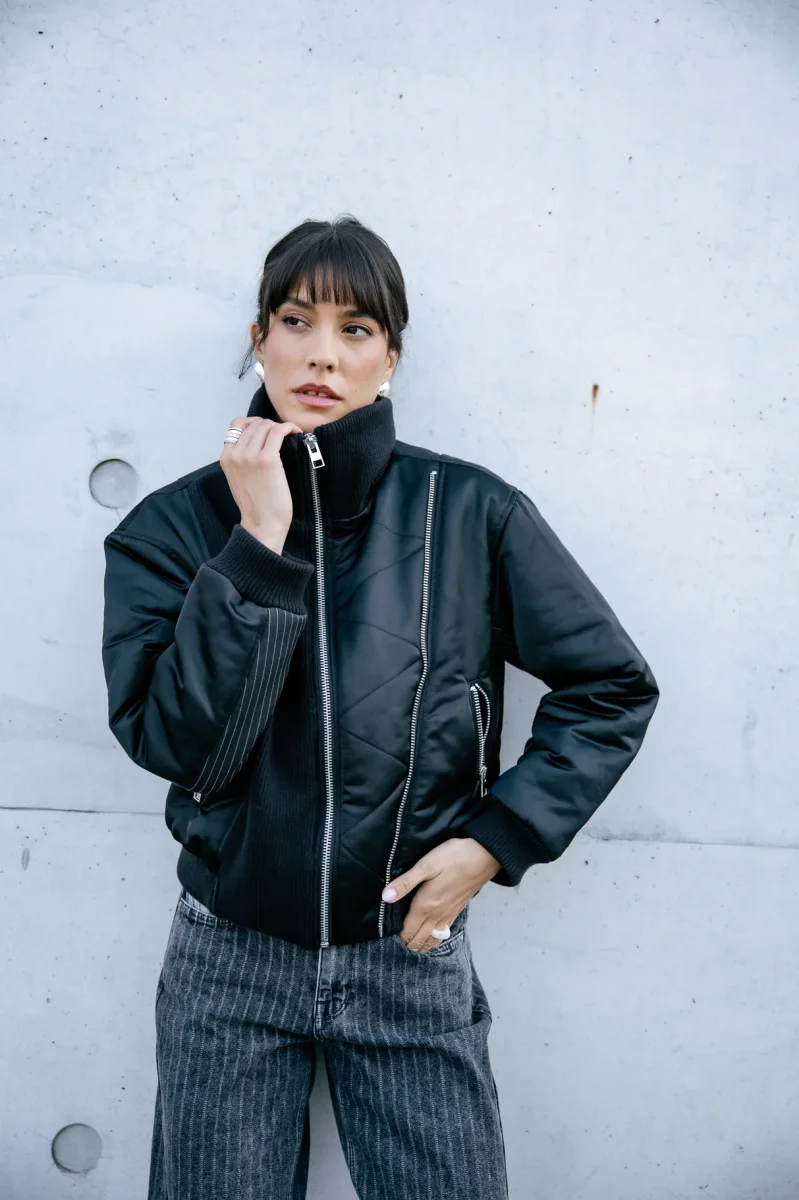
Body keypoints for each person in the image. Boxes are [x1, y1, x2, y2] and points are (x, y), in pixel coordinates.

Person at [101, 214, 659, 1199]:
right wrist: (256, 546)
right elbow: (177, 744)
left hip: (408, 952)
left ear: (389, 357)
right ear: (259, 339)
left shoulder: (471, 513)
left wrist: (494, 842)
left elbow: (609, 685)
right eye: (296, 321)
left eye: (355, 329)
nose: (322, 354)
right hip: (229, 961)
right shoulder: (172, 530)